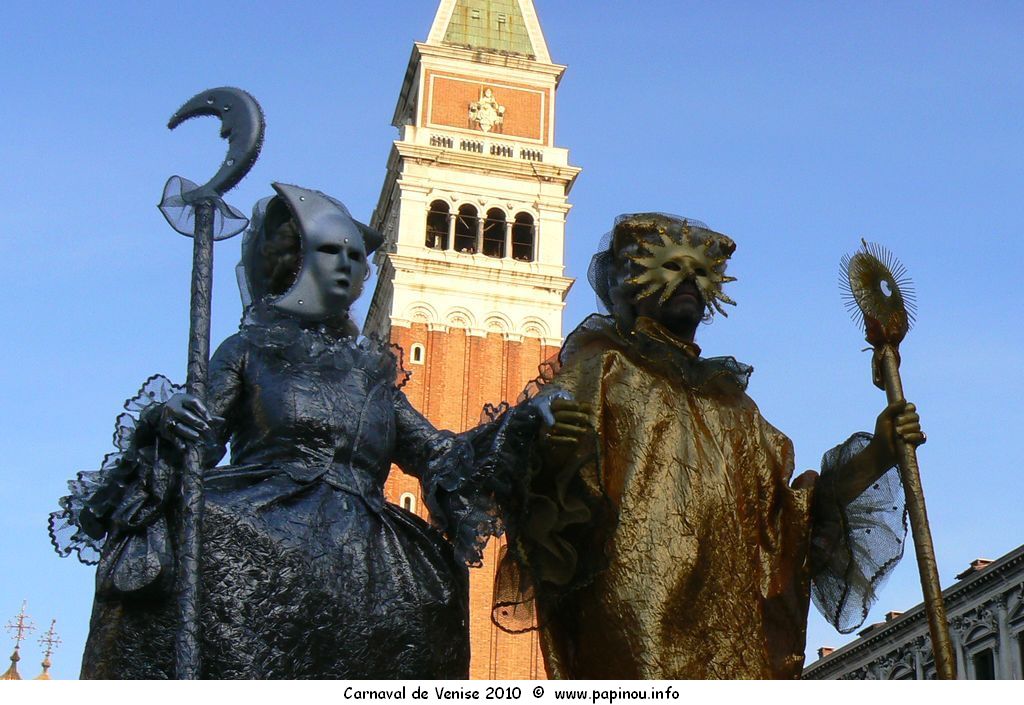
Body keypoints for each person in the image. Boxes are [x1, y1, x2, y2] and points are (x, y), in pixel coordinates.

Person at [50, 183, 530, 679]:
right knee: (199, 527)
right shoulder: (248, 349)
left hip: (369, 546)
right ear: (294, 259)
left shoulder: (371, 373)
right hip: (263, 513)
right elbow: (202, 442)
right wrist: (172, 421)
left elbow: (438, 453)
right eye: (331, 250)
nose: (347, 264)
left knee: (433, 585)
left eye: (355, 256)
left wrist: (521, 424)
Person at [496, 212, 923, 679]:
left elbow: (788, 523)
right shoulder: (602, 370)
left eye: (700, 271)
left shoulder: (737, 409)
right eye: (672, 265)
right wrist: (554, 453)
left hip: (734, 634)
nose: (689, 279)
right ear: (633, 282)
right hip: (635, 619)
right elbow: (534, 484)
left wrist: (876, 456)